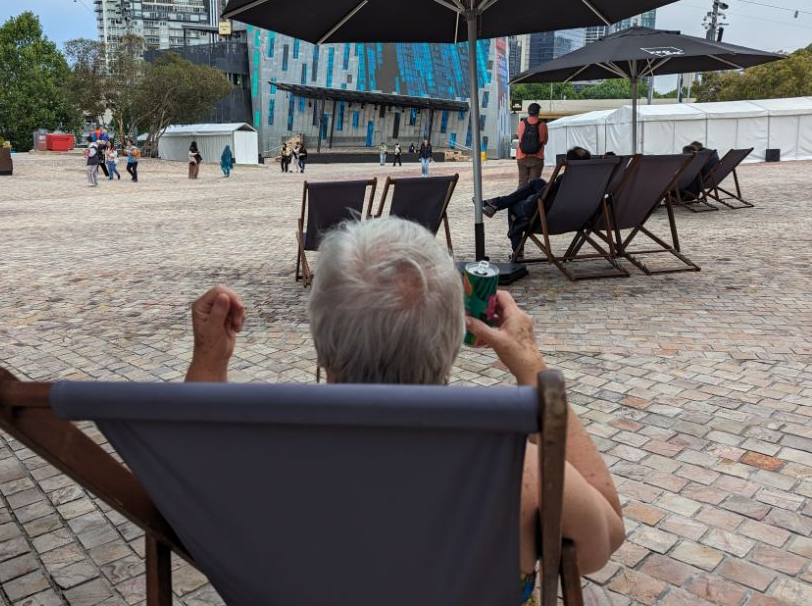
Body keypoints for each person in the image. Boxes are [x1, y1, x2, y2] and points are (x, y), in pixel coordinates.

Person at [185, 217, 625, 596]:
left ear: (321, 342)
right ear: (454, 341)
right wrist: (531, 365)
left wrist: (208, 359)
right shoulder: (522, 473)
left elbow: (191, 478)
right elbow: (605, 537)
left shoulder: (262, 464)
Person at [483, 146, 591, 252]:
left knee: (513, 204)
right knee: (537, 183)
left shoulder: (563, 181)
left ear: (568, 163)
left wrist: (533, 198)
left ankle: (517, 250)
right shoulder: (594, 182)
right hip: (578, 217)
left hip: (548, 216)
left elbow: (534, 205)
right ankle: (496, 203)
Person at [516, 103, 549, 187]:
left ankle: (520, 199)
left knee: (522, 183)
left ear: (528, 112)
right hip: (537, 158)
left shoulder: (521, 124)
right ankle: (532, 200)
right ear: (538, 112)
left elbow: (520, 139)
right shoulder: (543, 125)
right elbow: (545, 142)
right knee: (534, 185)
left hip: (522, 157)